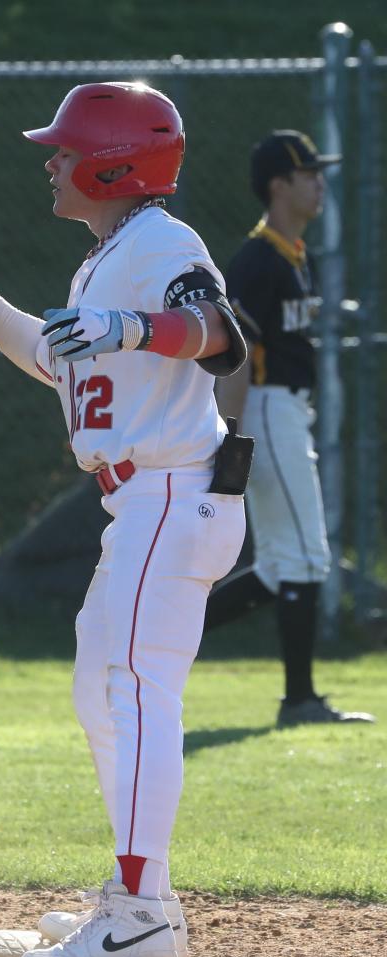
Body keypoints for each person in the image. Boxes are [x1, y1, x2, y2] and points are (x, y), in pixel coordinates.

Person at [0, 82, 248, 957]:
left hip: (171, 491)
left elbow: (221, 332)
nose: (51, 162)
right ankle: (140, 893)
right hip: (139, 504)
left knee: (136, 691)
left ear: (115, 164)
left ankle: (142, 908)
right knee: (102, 694)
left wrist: (134, 326)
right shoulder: (107, 256)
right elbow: (58, 359)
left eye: (65, 150)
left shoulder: (162, 242)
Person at [205, 130, 376, 727]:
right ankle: (298, 700)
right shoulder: (258, 258)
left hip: (283, 410)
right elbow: (238, 351)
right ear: (280, 184)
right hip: (267, 407)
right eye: (309, 174)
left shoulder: (290, 254)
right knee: (304, 555)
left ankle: (160, 628)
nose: (319, 183)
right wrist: (231, 434)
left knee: (286, 562)